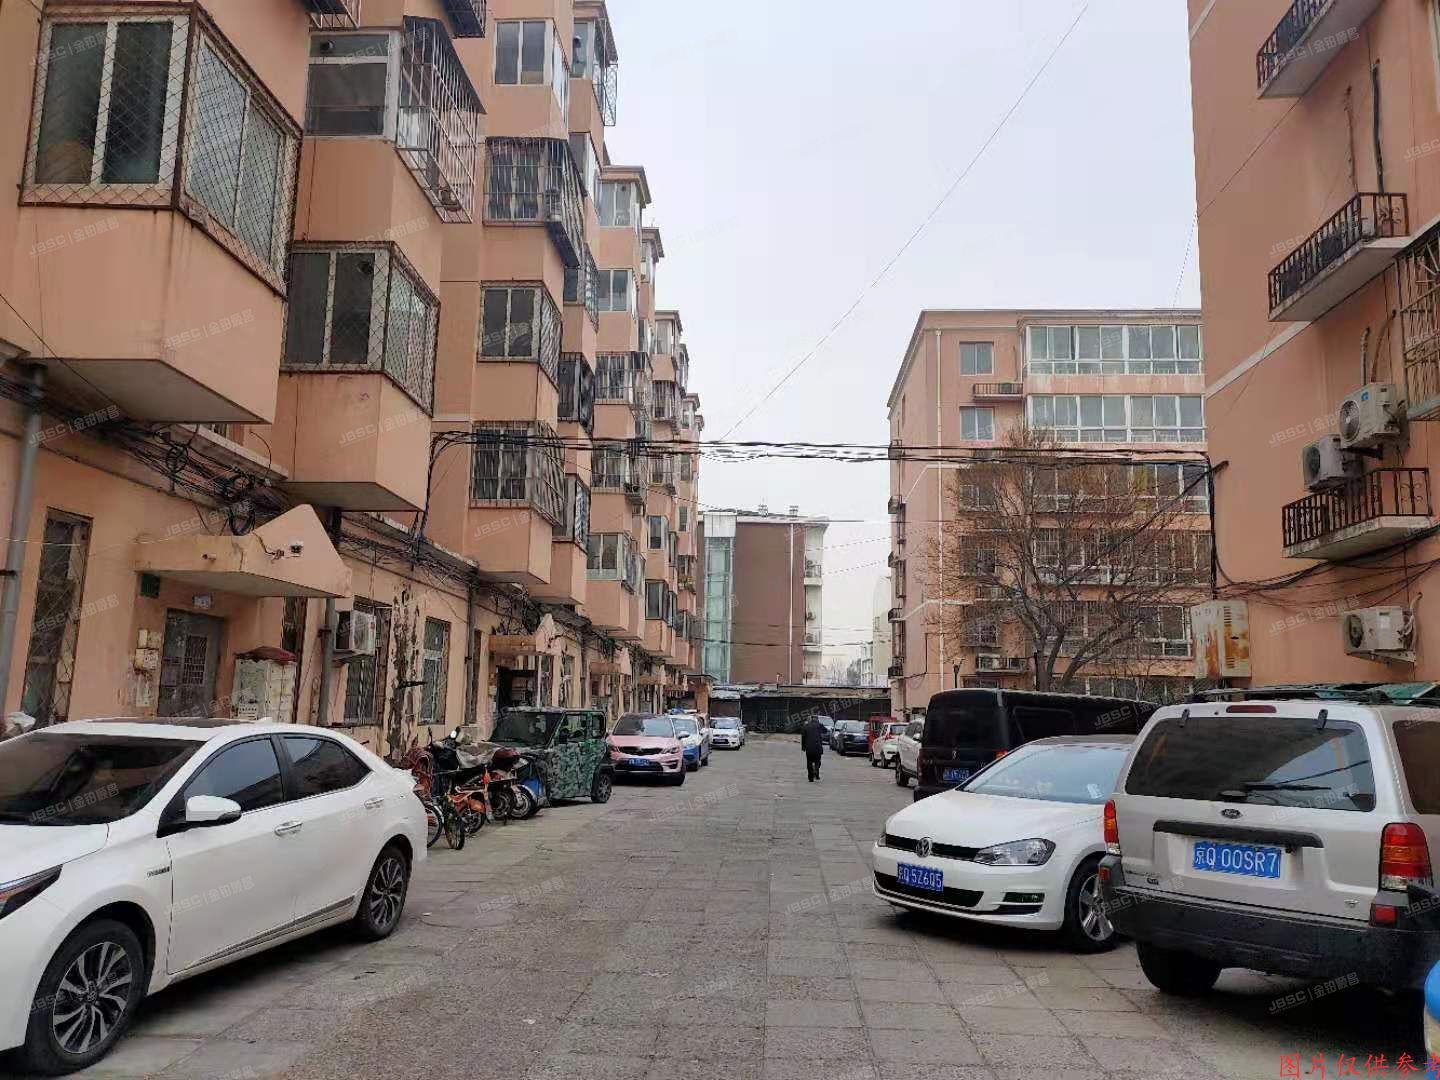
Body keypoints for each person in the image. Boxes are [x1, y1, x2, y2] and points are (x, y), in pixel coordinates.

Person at [801, 714, 824, 782]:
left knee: (809, 762)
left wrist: (803, 747)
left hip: (809, 748)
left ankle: (810, 778)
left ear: (811, 719)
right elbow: (825, 731)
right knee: (817, 761)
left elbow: (803, 737)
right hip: (818, 748)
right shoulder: (820, 725)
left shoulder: (806, 726)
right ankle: (816, 769)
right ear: (817, 719)